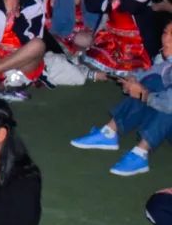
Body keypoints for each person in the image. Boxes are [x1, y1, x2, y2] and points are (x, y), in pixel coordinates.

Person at [70, 21, 172, 176]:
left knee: (166, 103)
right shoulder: (166, 60)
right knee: (153, 81)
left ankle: (141, 153)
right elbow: (152, 73)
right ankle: (110, 132)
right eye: (165, 32)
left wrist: (142, 95)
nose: (166, 39)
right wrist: (132, 80)